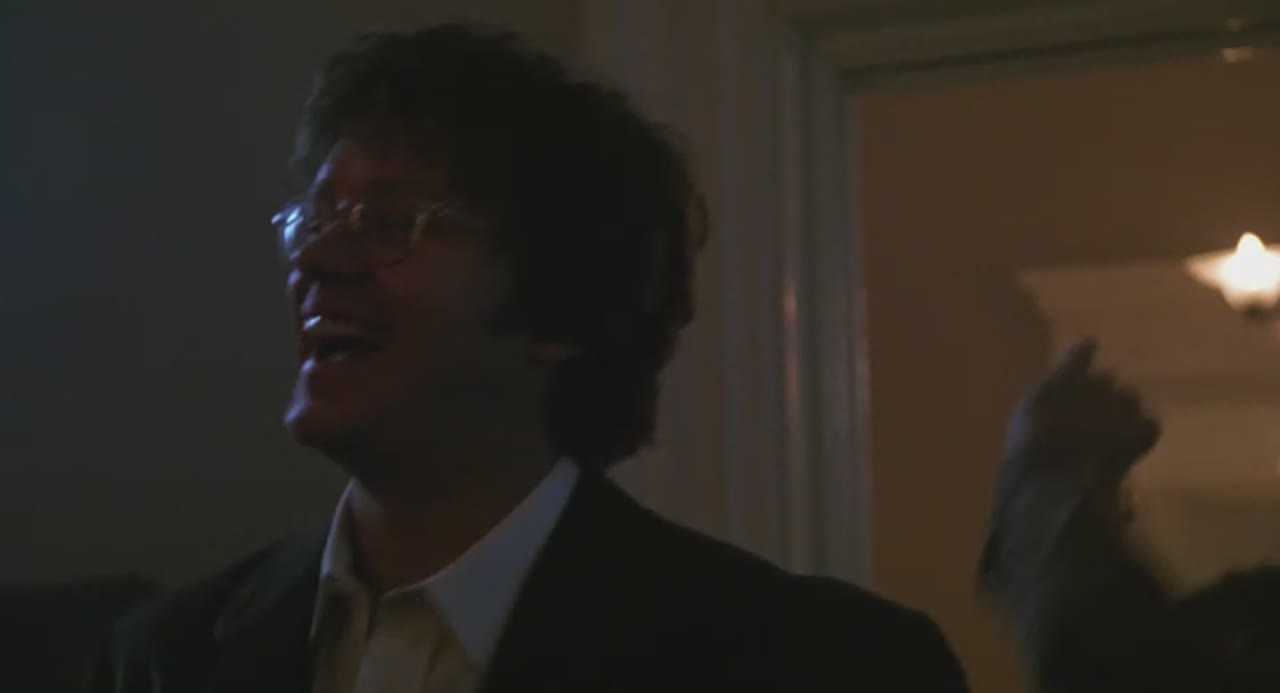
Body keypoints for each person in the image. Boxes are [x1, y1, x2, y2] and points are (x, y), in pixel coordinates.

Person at [89, 24, 968, 693]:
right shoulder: (166, 656)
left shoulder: (821, 663)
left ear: (561, 305)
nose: (318, 258)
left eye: (391, 224)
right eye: (315, 219)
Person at [980, 339, 1280, 693]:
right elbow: (1163, 661)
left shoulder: (1062, 546)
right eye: (1100, 398)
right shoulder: (1073, 558)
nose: (1121, 388)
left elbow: (1163, 641)